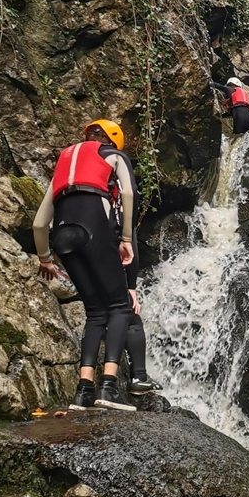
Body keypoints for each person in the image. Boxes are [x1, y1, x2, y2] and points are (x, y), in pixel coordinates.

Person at [32, 120, 136, 412]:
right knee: (119, 307)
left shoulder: (64, 166)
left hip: (63, 236)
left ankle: (83, 392)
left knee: (95, 312)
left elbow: (39, 223)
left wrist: (45, 258)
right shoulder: (113, 155)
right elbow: (127, 194)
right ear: (113, 140)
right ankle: (108, 388)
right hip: (95, 227)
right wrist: (126, 238)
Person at [106, 147, 163, 397]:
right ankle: (138, 377)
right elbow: (130, 247)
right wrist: (132, 288)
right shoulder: (117, 199)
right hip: (110, 255)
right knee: (130, 314)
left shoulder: (79, 183)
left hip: (75, 251)